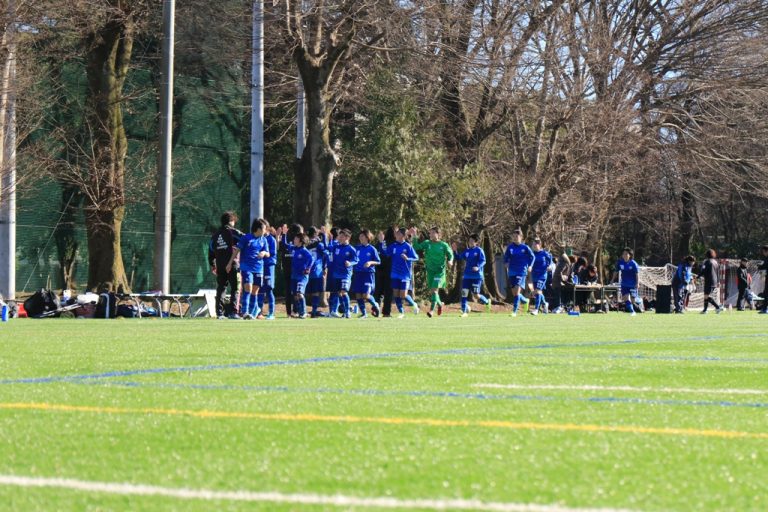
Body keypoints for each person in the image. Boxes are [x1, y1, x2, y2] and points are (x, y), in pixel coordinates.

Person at [226, 218, 270, 320]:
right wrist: (229, 263)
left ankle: (251, 313)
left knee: (255, 291)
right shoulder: (246, 238)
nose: (265, 231)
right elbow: (237, 250)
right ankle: (245, 312)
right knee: (248, 288)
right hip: (246, 268)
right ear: (258, 229)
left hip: (259, 269)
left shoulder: (264, 240)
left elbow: (268, 253)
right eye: (264, 228)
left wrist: (264, 253)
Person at [411, 227, 454, 318]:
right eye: (430, 233)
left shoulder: (443, 245)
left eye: (432, 233)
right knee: (433, 292)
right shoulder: (427, 243)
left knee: (434, 290)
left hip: (439, 272)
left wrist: (450, 261)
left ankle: (431, 311)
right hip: (430, 271)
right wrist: (414, 235)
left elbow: (450, 254)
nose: (430, 234)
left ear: (438, 234)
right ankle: (440, 304)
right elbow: (416, 247)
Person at [208, 211, 243, 319]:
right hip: (232, 264)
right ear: (231, 221)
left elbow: (211, 250)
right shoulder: (233, 232)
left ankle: (219, 313)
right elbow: (245, 239)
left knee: (221, 288)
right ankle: (233, 312)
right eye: (234, 221)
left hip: (220, 265)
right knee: (235, 288)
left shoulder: (215, 235)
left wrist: (213, 264)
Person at [452, 234, 491, 317]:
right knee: (464, 293)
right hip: (467, 276)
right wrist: (455, 251)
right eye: (469, 241)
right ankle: (464, 311)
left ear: (476, 242)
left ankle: (487, 302)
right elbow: (458, 257)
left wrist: (477, 267)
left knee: (476, 295)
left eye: (472, 241)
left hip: (477, 276)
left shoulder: (479, 250)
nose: (470, 242)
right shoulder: (467, 251)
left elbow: (483, 261)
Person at [387, 227, 420, 318]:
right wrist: (382, 244)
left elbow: (416, 258)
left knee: (403, 294)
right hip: (394, 273)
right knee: (396, 294)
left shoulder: (408, 246)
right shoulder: (393, 245)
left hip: (405, 274)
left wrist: (407, 258)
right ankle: (401, 312)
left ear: (403, 236)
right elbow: (386, 253)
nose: (396, 235)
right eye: (396, 233)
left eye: (398, 234)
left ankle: (414, 304)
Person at [503, 228, 535, 317]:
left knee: (517, 292)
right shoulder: (510, 247)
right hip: (511, 272)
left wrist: (530, 266)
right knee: (515, 293)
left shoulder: (525, 247)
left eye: (517, 236)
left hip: (521, 271)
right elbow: (506, 257)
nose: (515, 238)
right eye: (514, 236)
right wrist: (506, 262)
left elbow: (533, 257)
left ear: (521, 237)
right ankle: (525, 301)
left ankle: (514, 311)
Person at [327, 229, 358, 318]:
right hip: (336, 275)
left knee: (343, 292)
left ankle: (347, 312)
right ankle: (336, 311)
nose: (339, 238)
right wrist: (327, 238)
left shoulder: (351, 249)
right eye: (339, 236)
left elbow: (356, 260)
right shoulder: (336, 247)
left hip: (345, 275)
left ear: (347, 237)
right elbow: (327, 247)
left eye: (342, 236)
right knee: (338, 293)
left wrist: (350, 263)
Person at [353, 229, 381, 318]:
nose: (360, 237)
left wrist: (370, 262)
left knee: (366, 295)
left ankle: (375, 304)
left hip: (368, 274)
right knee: (358, 294)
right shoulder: (356, 248)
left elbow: (378, 261)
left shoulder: (372, 249)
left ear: (367, 237)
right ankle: (364, 313)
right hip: (358, 273)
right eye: (360, 236)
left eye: (362, 236)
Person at [287, 233, 314, 319]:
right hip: (294, 276)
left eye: (296, 239)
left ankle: (304, 312)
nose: (294, 240)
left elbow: (312, 259)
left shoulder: (304, 251)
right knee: (295, 295)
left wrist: (308, 268)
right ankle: (299, 312)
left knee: (300, 293)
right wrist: (283, 235)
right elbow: (285, 245)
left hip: (302, 277)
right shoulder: (293, 249)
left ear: (301, 241)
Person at [305, 227, 329, 318]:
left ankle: (305, 311)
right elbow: (326, 254)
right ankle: (314, 311)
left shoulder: (305, 243)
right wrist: (325, 267)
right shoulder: (319, 244)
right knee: (315, 292)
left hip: (308, 271)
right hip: (316, 271)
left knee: (305, 292)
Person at [257, 219, 278, 320]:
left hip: (269, 267)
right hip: (259, 268)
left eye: (263, 228)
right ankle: (259, 312)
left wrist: (264, 256)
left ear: (267, 228)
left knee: (269, 289)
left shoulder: (271, 240)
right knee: (260, 289)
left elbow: (273, 255)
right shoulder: (259, 239)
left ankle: (271, 313)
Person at [611, 248, 640, 316]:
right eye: (623, 254)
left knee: (633, 300)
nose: (624, 255)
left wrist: (637, 283)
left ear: (630, 255)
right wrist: (612, 279)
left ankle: (635, 308)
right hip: (624, 284)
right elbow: (616, 271)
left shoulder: (633, 263)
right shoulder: (620, 262)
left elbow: (637, 274)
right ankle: (632, 312)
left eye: (626, 254)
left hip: (633, 285)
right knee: (626, 298)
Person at [375, 228, 396, 317]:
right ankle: (386, 312)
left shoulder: (380, 243)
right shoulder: (393, 244)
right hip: (389, 270)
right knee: (388, 292)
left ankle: (375, 310)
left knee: (378, 292)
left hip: (379, 270)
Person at [529, 238, 553, 315]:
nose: (533, 246)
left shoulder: (545, 253)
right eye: (532, 244)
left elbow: (551, 262)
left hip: (542, 275)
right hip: (534, 275)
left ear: (539, 245)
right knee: (537, 292)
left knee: (538, 290)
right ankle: (545, 303)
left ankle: (536, 309)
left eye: (535, 244)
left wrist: (550, 266)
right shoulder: (531, 254)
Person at [700, 249, 723, 314]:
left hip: (709, 281)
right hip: (714, 282)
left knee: (706, 296)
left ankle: (718, 307)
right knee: (706, 296)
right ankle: (705, 310)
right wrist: (718, 281)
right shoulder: (716, 262)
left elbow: (703, 271)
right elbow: (718, 273)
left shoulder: (707, 262)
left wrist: (698, 276)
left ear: (707, 255)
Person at [760, 245, 768, 314]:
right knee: (765, 294)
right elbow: (764, 266)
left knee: (766, 294)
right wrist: (760, 266)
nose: (763, 253)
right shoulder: (766, 258)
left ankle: (765, 309)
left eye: (763, 251)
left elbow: (765, 267)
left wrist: (760, 267)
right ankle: (764, 308)